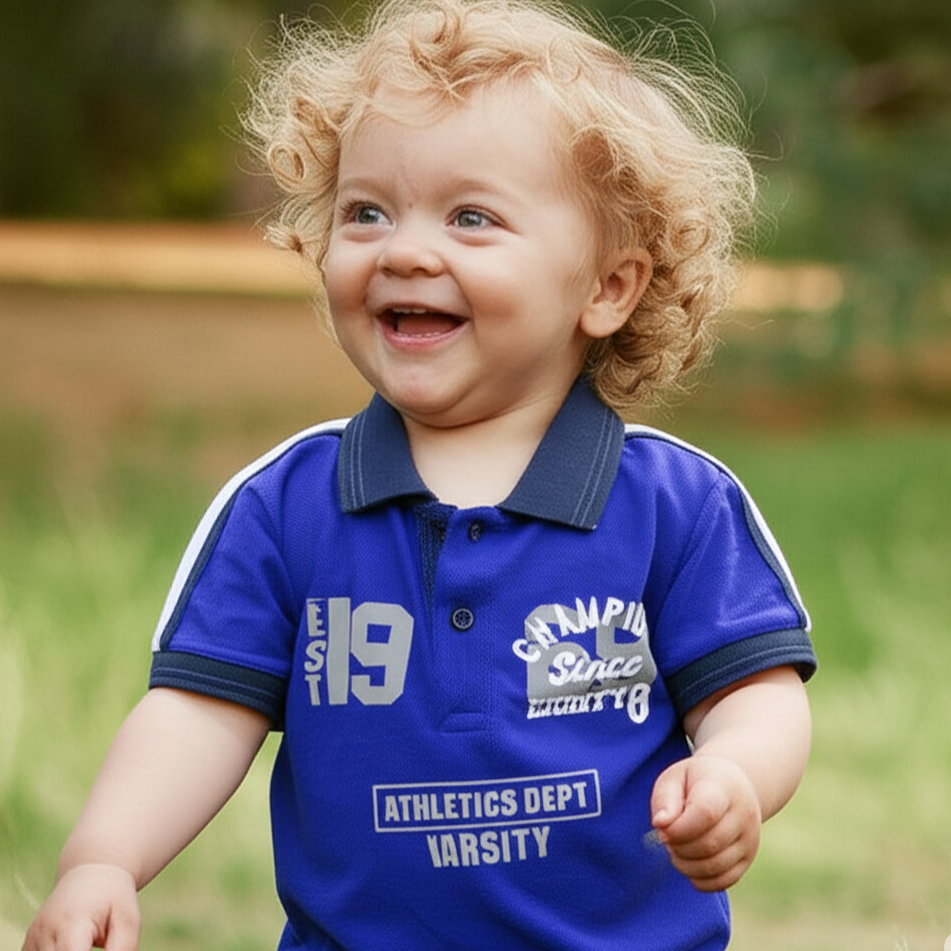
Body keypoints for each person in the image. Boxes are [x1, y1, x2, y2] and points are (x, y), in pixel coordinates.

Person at [22, 0, 816, 949]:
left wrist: (734, 773)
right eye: (366, 212)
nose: (403, 249)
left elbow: (755, 691)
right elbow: (197, 712)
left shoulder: (674, 504)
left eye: (471, 217)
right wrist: (104, 859)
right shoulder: (285, 506)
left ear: (607, 287)